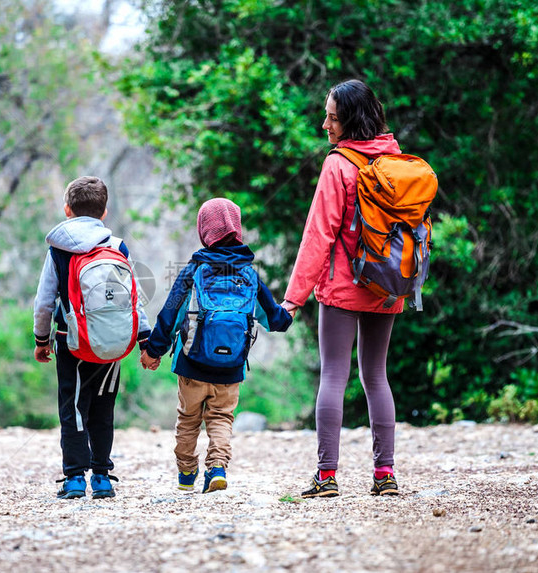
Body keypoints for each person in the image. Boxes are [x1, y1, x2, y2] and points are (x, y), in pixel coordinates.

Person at [281, 79, 403, 498]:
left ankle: (327, 476)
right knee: (376, 375)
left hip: (342, 287)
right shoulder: (394, 158)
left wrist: (292, 299)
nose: (324, 124)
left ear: (349, 119)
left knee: (334, 374)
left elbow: (318, 235)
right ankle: (385, 474)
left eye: (332, 117)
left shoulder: (339, 165)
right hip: (387, 285)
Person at [141, 198, 293, 493]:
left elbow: (169, 315)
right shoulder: (249, 275)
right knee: (221, 418)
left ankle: (186, 474)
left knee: (188, 420)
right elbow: (275, 319)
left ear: (204, 231)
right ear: (237, 229)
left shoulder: (193, 271)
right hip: (231, 369)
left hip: (191, 365)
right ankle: (217, 468)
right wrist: (290, 310)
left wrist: (152, 351)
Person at [33, 176, 152, 500]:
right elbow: (133, 298)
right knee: (102, 408)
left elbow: (45, 301)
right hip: (109, 341)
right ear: (104, 212)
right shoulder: (117, 246)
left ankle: (73, 478)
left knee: (72, 406)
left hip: (70, 340)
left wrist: (41, 340)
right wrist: (144, 340)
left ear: (67, 210)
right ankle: (101, 477)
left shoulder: (58, 249)